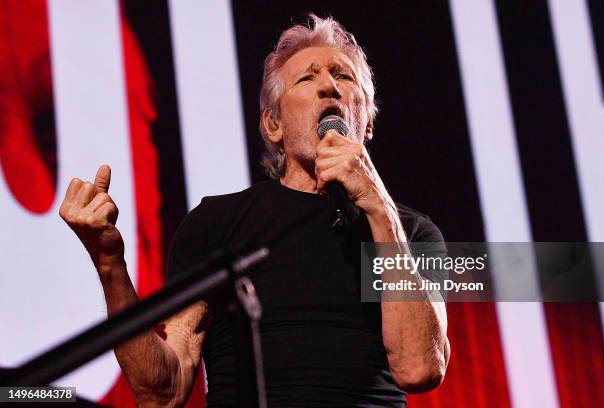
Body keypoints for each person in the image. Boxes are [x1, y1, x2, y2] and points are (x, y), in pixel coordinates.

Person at [59, 14, 450, 407]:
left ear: (366, 124)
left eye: (344, 78)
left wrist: (379, 209)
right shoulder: (217, 223)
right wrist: (110, 263)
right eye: (307, 78)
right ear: (273, 123)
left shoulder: (416, 234)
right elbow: (163, 392)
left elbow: (420, 368)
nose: (329, 87)